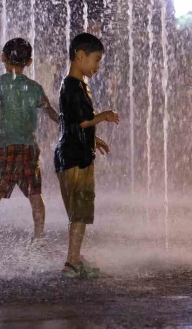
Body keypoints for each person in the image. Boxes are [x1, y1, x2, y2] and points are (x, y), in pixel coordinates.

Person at [0, 38, 59, 249]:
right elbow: (51, 113)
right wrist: (67, 124)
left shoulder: (0, 84)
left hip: (6, 147)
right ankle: (38, 237)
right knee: (35, 194)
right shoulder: (35, 88)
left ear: (3, 58)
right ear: (29, 62)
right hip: (29, 148)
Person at [55, 33, 119, 279]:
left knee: (75, 213)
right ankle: (71, 263)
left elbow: (71, 123)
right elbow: (82, 121)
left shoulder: (71, 85)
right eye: (96, 60)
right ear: (80, 56)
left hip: (67, 155)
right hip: (77, 158)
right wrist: (105, 115)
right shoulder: (74, 85)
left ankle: (76, 258)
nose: (98, 66)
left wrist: (95, 139)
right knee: (80, 212)